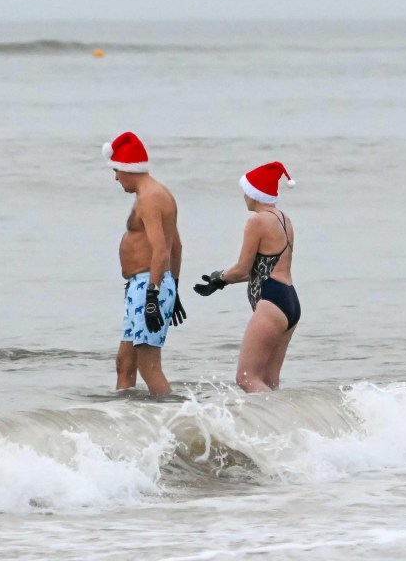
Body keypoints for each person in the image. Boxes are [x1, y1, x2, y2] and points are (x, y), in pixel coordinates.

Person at [194, 162, 300, 392]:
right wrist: (222, 281)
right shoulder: (285, 219)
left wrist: (220, 277)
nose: (243, 196)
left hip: (272, 302)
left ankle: (278, 424)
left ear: (254, 193)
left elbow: (243, 268)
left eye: (246, 190)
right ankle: (283, 427)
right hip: (289, 301)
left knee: (246, 378)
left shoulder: (257, 221)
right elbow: (261, 269)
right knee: (269, 382)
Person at [103, 131, 186, 397]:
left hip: (147, 286)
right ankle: (129, 425)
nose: (116, 178)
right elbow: (178, 245)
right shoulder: (155, 194)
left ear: (129, 169)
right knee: (124, 364)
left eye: (117, 170)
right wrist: (173, 288)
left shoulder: (150, 197)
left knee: (149, 367)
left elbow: (162, 249)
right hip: (147, 286)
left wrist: (154, 295)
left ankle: (177, 425)